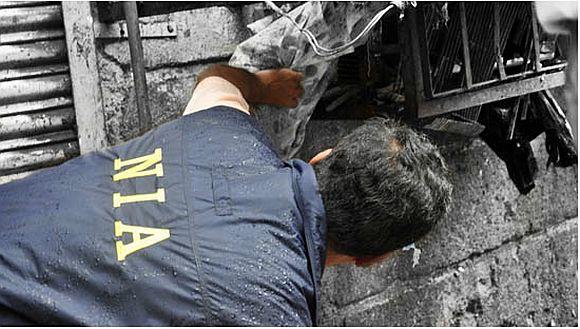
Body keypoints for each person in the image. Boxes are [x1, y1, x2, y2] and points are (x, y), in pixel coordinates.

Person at [0, 64, 452, 326]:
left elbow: (218, 80)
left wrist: (263, 85)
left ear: (322, 156)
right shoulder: (272, 316)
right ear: (371, 260)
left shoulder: (224, 128)